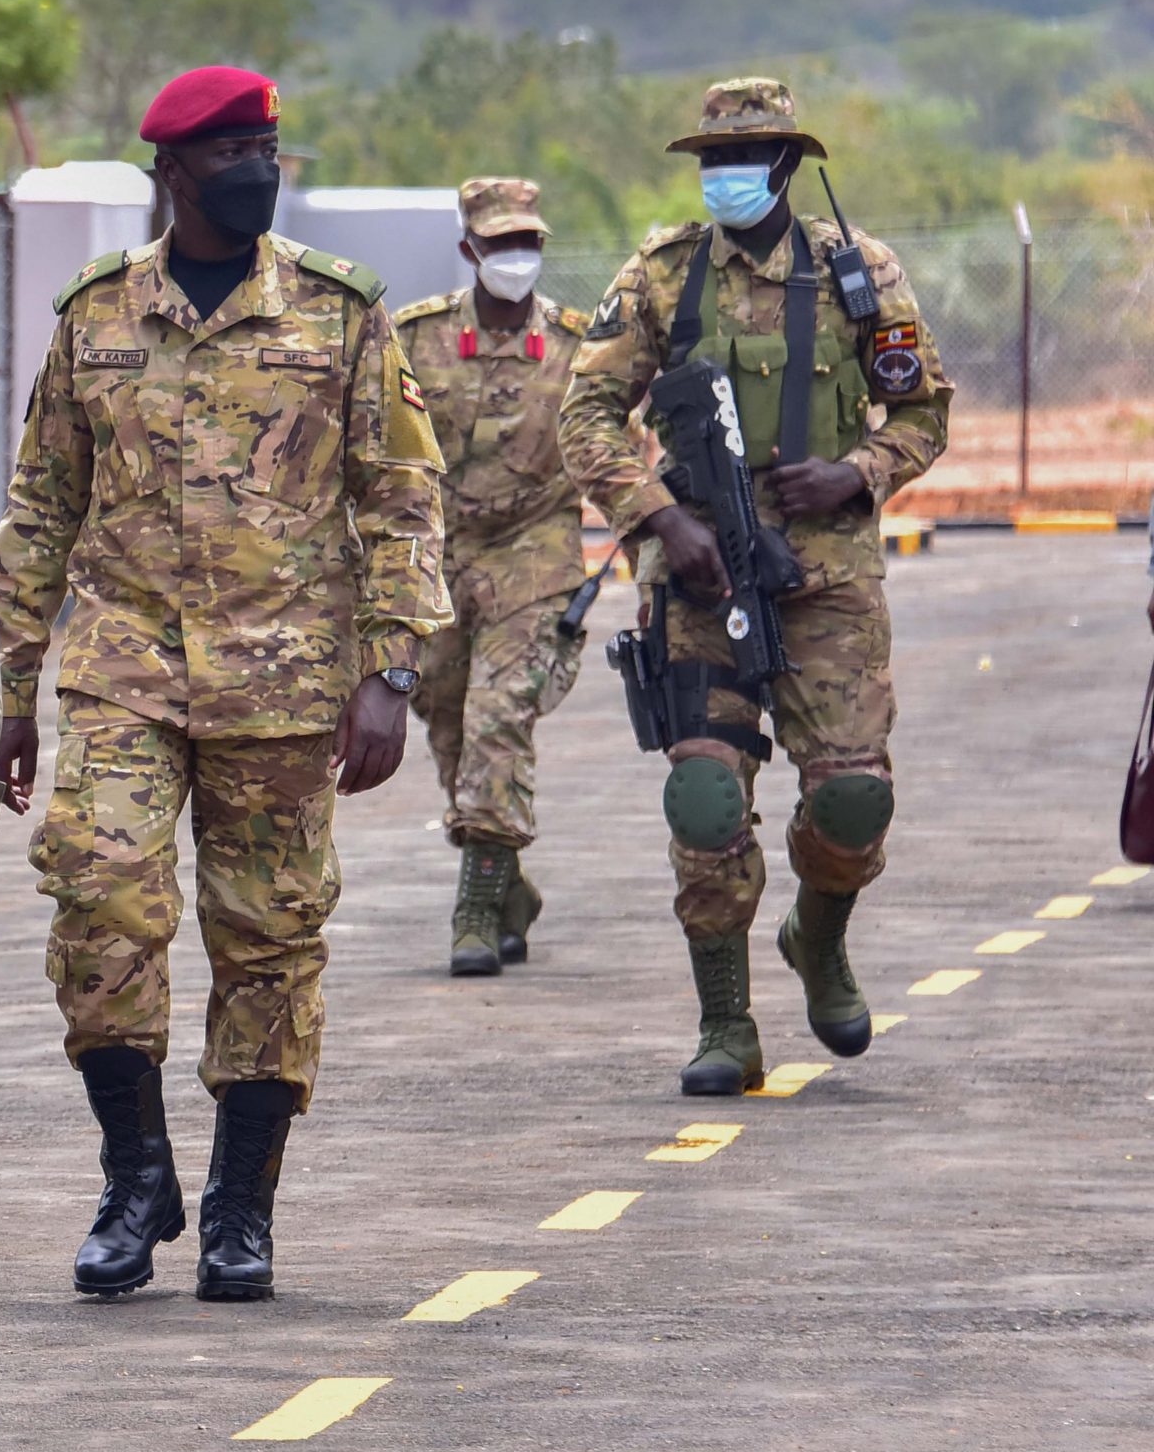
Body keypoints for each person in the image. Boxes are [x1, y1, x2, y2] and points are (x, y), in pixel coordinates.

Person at [0, 66, 451, 1304]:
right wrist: (5, 693)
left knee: (269, 939)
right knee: (98, 901)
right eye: (232, 153)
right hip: (123, 670)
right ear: (172, 172)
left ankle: (242, 1207)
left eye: (268, 150)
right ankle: (135, 1176)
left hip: (286, 680)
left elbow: (401, 501)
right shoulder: (94, 312)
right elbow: (39, 511)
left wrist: (391, 669)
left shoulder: (340, 313)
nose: (258, 170)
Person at [558, 78, 952, 1096]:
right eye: (711, 159)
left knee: (853, 800)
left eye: (743, 156)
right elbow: (585, 416)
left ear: (786, 164)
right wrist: (661, 517)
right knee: (703, 800)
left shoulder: (859, 273)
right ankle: (725, 1022)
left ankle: (817, 938)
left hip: (827, 579)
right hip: (699, 578)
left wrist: (855, 474)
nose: (724, 174)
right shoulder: (661, 276)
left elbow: (923, 414)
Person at [390, 178, 589, 976]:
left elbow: (616, 445)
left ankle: (473, 911)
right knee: (446, 720)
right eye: (501, 243)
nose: (516, 256)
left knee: (497, 718)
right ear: (469, 249)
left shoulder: (580, 345)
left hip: (535, 553)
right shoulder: (416, 336)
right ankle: (508, 884)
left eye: (528, 243)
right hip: (441, 553)